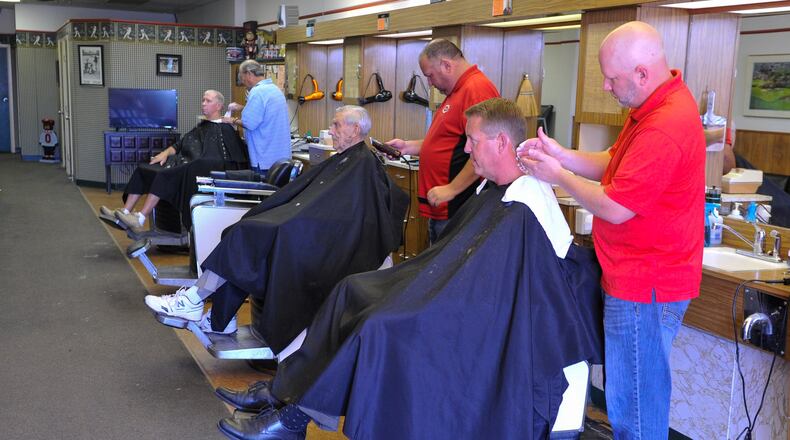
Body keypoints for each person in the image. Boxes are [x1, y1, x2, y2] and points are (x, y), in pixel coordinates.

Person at [215, 98, 604, 440]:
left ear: (501, 142)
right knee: (349, 290)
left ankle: (294, 419)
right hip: (461, 298)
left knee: (379, 325)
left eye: (473, 140)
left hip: (490, 322)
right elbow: (457, 265)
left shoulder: (526, 202)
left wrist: (418, 298)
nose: (467, 149)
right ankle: (284, 391)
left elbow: (505, 291)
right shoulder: (495, 190)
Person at [518, 21, 705, 439]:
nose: (604, 86)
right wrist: (561, 156)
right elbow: (612, 161)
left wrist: (556, 176)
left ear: (641, 73)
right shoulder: (653, 106)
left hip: (645, 284)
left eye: (611, 78)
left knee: (634, 412)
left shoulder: (665, 124)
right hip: (636, 276)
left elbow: (616, 207)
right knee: (633, 400)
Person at [145, 106, 408, 346]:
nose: (332, 130)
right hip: (305, 228)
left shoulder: (362, 165)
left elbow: (345, 216)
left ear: (355, 129)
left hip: (315, 238)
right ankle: (216, 317)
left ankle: (194, 301)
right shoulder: (347, 159)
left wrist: (292, 223)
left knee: (248, 236)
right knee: (246, 233)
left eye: (337, 125)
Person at [386, 39, 499, 243]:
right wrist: (407, 147)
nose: (429, 83)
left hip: (458, 207)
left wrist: (452, 189)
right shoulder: (456, 91)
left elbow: (485, 152)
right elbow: (447, 142)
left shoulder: (476, 89)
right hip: (442, 208)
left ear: (447, 65)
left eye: (430, 76)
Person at [101, 90, 248, 234]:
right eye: (203, 100)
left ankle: (139, 219)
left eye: (208, 101)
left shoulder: (226, 128)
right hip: (185, 161)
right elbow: (180, 145)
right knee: (144, 168)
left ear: (219, 106)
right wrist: (164, 153)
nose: (203, 104)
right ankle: (124, 212)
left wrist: (195, 162)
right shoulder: (202, 125)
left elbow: (225, 158)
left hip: (199, 168)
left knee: (164, 174)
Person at [223, 59, 291, 174]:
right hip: (280, 158)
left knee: (264, 190)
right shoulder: (274, 89)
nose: (243, 82)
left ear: (248, 74)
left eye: (242, 78)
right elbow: (264, 114)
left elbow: (250, 123)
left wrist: (231, 120)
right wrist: (243, 108)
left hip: (264, 158)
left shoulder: (257, 91)